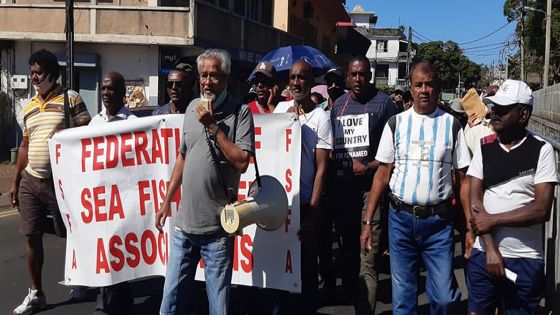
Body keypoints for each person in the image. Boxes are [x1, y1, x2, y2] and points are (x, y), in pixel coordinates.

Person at [360, 61, 471, 314]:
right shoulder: (395, 124)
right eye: (418, 85)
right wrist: (367, 223)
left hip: (439, 225)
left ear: (437, 88)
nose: (424, 90)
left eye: (429, 84)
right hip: (401, 221)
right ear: (410, 88)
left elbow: (462, 180)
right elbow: (382, 176)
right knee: (403, 299)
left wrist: (467, 227)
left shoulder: (452, 126)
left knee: (444, 298)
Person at [156, 49, 255, 315]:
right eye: (203, 75)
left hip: (218, 233)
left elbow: (242, 162)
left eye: (214, 75)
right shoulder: (191, 108)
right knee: (169, 305)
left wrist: (213, 126)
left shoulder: (241, 113)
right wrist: (166, 203)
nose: (207, 81)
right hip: (183, 229)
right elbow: (182, 157)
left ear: (226, 78)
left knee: (218, 307)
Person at [10, 49, 92, 315]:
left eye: (39, 72)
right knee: (31, 235)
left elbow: (87, 137)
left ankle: (84, 279)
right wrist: (16, 179)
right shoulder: (30, 107)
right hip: (31, 181)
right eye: (31, 72)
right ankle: (36, 293)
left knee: (71, 233)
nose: (34, 77)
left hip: (61, 183)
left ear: (53, 74)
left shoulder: (71, 100)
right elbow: (25, 144)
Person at [467, 79, 558, 315]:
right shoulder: (484, 148)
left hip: (524, 259)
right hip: (483, 254)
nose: (494, 112)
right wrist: (490, 248)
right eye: (494, 106)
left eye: (504, 109)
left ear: (523, 114)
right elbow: (475, 201)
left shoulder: (541, 150)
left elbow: (541, 209)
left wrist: (494, 220)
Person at [329, 55, 397, 314]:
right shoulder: (338, 106)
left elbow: (393, 153)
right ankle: (351, 297)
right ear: (348, 77)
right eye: (353, 74)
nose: (358, 79)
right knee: (348, 254)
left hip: (373, 191)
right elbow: (332, 146)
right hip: (344, 192)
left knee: (368, 256)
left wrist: (367, 167)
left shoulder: (385, 104)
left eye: (363, 74)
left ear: (370, 75)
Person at [274, 60, 332, 314]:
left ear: (311, 83)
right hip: (281, 202)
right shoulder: (280, 109)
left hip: (306, 203)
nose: (297, 82)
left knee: (306, 268)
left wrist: (313, 212)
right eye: (293, 77)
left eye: (303, 78)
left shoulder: (321, 117)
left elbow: (322, 168)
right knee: (281, 266)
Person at [88, 71, 137, 314]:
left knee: (119, 253)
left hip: (124, 199)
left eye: (112, 89)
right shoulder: (94, 123)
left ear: (122, 93)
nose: (107, 93)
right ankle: (108, 302)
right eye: (104, 88)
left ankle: (113, 302)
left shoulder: (132, 123)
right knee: (105, 252)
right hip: (101, 202)